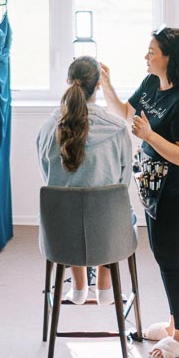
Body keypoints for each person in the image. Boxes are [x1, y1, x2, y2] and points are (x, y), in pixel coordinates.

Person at [101, 27, 179, 358]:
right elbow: (123, 111)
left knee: (171, 261)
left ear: (169, 58)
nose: (146, 57)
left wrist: (149, 135)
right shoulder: (150, 85)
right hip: (155, 186)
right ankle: (175, 325)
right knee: (163, 258)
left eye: (152, 52)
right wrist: (106, 84)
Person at [36, 55, 133, 304]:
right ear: (98, 85)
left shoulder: (48, 128)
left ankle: (78, 287)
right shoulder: (117, 128)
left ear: (68, 81)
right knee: (116, 208)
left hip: (61, 237)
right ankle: (105, 288)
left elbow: (48, 178)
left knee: (65, 205)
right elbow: (123, 182)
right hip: (108, 234)